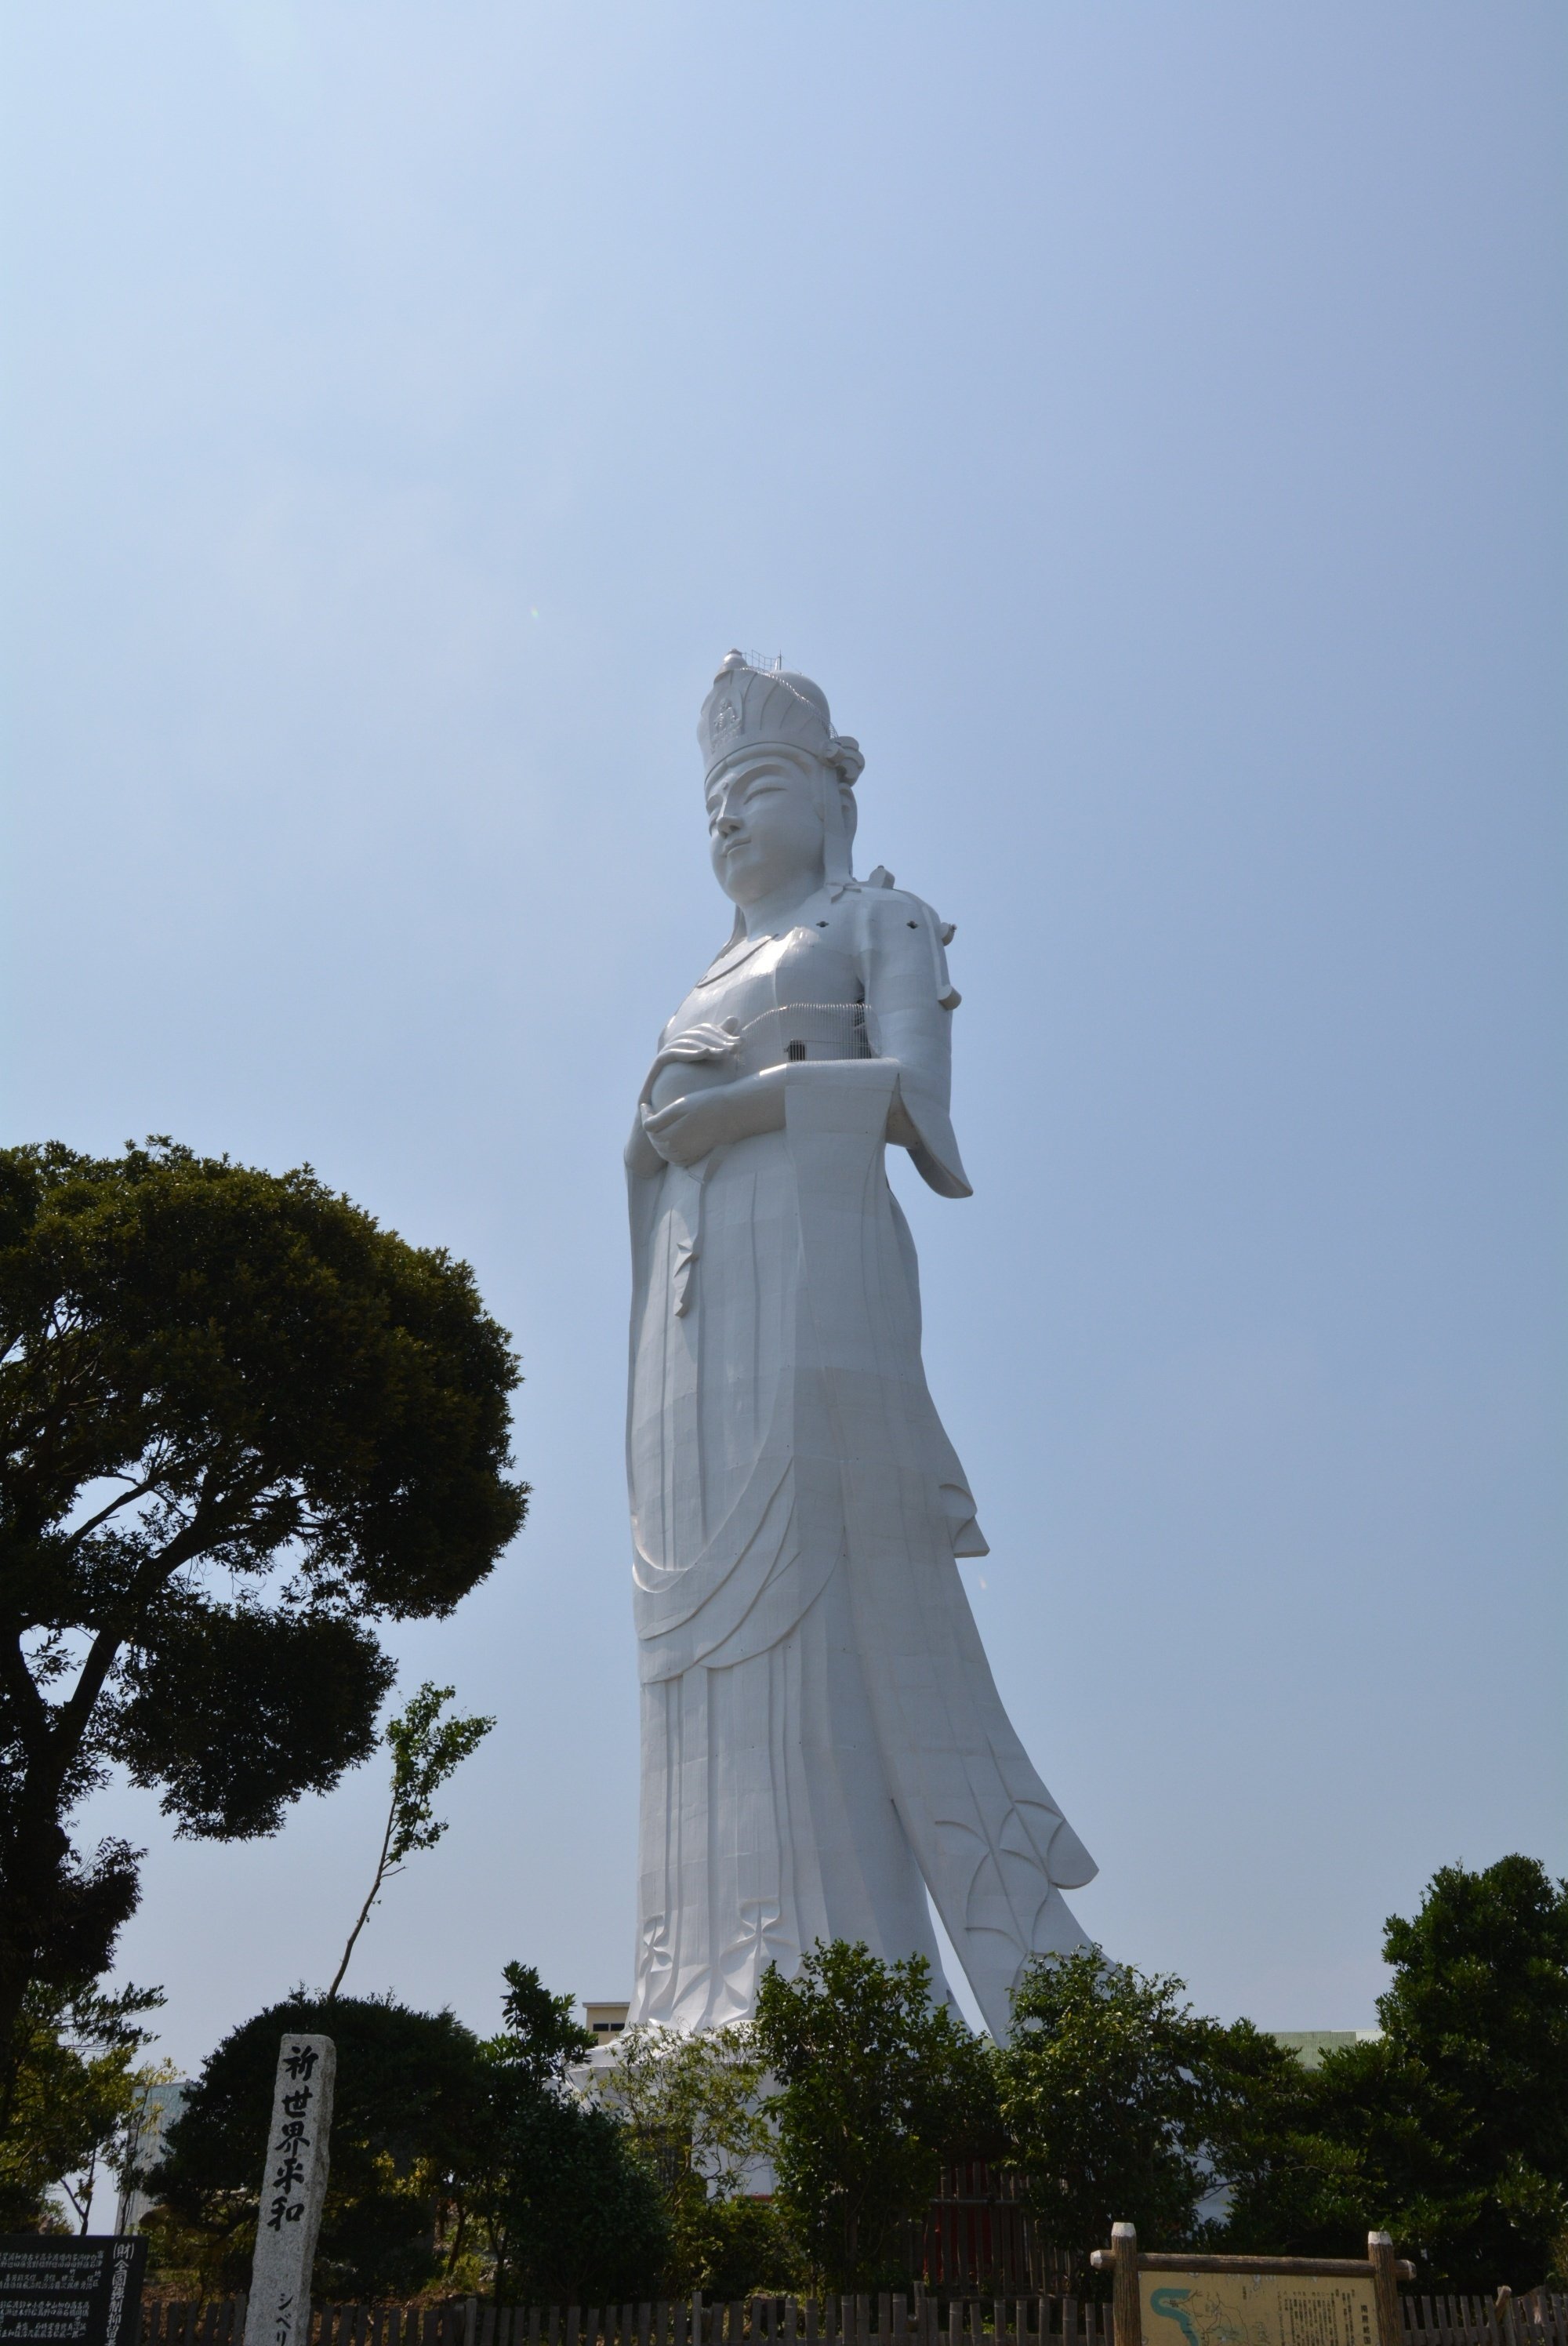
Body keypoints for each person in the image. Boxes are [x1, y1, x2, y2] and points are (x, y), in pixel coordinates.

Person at [624, 651, 1094, 2037]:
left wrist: (742, 1107)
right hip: (694, 1319)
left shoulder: (879, 919)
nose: (727, 817)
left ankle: (853, 2003)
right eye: (712, 799)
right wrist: (661, 1131)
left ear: (832, 797)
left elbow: (915, 1107)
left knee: (826, 1598)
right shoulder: (705, 975)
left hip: (817, 1284)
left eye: (758, 786)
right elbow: (656, 1144)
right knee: (699, 1651)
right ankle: (693, 1997)